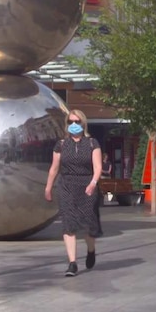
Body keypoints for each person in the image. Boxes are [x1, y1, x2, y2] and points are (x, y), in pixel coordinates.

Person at [45, 110, 102, 277]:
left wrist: (93, 183)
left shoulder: (92, 143)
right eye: (70, 122)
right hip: (67, 185)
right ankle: (72, 263)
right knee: (69, 224)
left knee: (88, 225)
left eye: (77, 121)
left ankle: (91, 250)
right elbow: (54, 168)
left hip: (87, 186)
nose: (74, 125)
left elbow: (97, 167)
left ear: (83, 123)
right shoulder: (61, 145)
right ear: (67, 124)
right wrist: (48, 187)